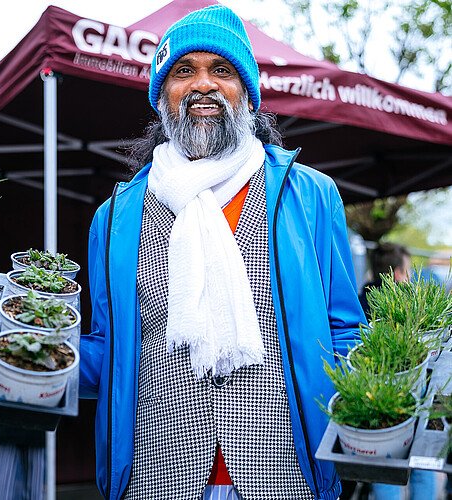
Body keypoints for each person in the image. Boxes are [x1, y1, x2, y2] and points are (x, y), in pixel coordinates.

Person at [79, 5, 365, 499]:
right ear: (162, 95)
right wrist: (40, 353)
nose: (203, 85)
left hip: (286, 474)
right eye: (184, 71)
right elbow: (110, 353)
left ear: (247, 92)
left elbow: (345, 330)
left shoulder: (310, 195)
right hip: (157, 476)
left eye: (222, 71)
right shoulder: (116, 217)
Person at [358, 242, 438, 500]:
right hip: (417, 395)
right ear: (397, 274)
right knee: (422, 466)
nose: (411, 278)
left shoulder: (359, 299)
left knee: (385, 468)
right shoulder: (409, 305)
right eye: (408, 272)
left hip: (375, 400)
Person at [358, 242, 411, 315]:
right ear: (398, 273)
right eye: (408, 269)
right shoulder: (404, 309)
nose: (410, 275)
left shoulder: (358, 302)